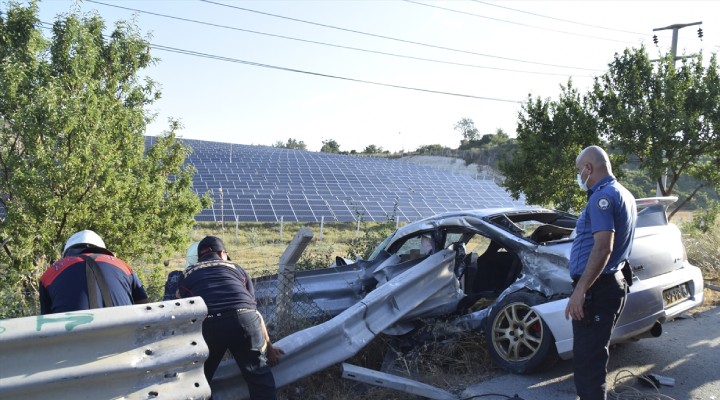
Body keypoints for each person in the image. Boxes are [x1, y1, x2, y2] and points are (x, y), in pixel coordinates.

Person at [564, 146, 637, 400]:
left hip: (598, 289)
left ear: (589, 169)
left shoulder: (601, 198)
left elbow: (603, 247)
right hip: (610, 284)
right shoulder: (624, 194)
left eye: (579, 171)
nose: (579, 176)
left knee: (588, 363)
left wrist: (580, 291)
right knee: (593, 356)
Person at [178, 236, 283, 399]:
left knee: (200, 380)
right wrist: (269, 348)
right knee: (259, 377)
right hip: (245, 319)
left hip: (210, 324)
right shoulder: (237, 268)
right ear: (222, 253)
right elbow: (253, 311)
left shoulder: (186, 275)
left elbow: (184, 313)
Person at [39, 229, 149, 314]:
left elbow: (46, 319)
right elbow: (144, 307)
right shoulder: (123, 266)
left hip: (72, 339)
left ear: (68, 252)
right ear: (102, 249)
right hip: (124, 336)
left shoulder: (50, 273)